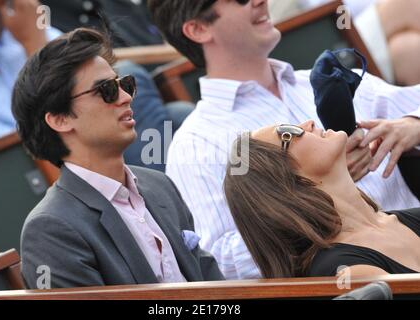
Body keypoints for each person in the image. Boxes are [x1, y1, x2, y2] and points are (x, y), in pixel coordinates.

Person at [148, 0, 420, 279]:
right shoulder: (195, 143)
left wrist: (412, 125)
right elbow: (219, 260)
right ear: (198, 29)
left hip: (409, 230)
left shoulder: (324, 78)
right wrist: (310, 196)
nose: (260, 1)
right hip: (347, 277)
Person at [12, 27, 223, 288]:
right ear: (60, 119)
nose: (125, 97)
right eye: (106, 90)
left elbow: (215, 289)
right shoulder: (50, 230)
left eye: (124, 84)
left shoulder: (160, 186)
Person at [224, 121, 420, 278]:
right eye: (287, 132)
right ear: (284, 181)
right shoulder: (345, 269)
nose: (308, 123)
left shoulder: (411, 218)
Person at [40, 0, 194, 172]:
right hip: (49, 134)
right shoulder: (32, 14)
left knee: (180, 114)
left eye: (127, 87)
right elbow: (46, 84)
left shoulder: (118, 7)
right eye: (109, 91)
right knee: (128, 71)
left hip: (153, 82)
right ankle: (163, 188)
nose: (126, 96)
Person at [0, 0, 60, 150]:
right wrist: (36, 47)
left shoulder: (13, 32)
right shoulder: (30, 37)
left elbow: (93, 88)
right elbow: (25, 156)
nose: (3, 16)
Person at [299, 0, 420, 85]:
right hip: (345, 41)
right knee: (407, 4)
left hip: (380, 33)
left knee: (407, 49)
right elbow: (334, 14)